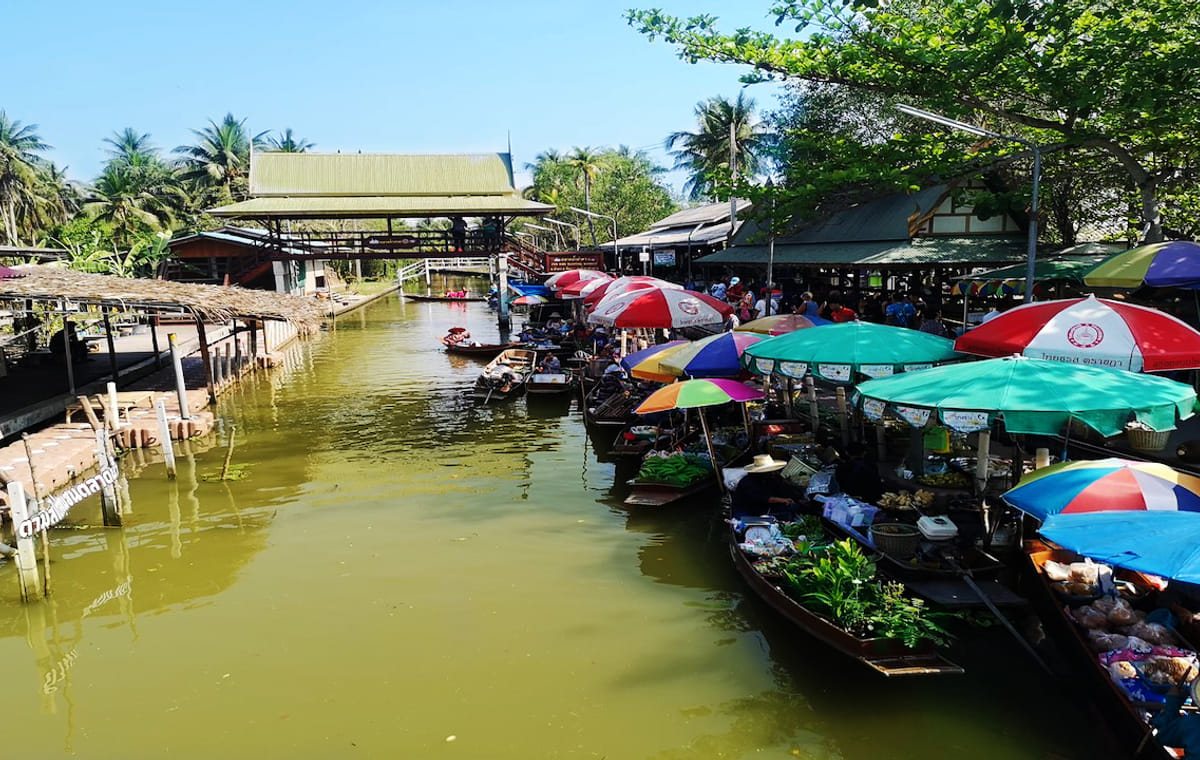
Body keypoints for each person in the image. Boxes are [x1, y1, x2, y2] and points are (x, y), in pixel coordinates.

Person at [731, 454, 808, 518]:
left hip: (765, 507)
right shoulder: (748, 482)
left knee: (793, 508)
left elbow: (780, 490)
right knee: (744, 522)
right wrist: (782, 500)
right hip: (747, 509)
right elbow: (762, 498)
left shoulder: (770, 479)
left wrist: (796, 499)